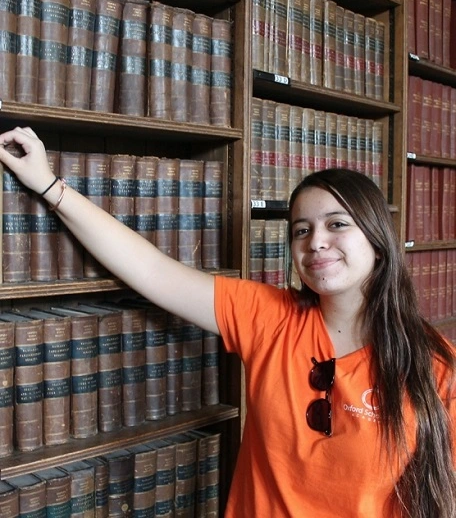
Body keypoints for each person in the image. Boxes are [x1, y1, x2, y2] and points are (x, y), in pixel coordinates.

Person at [0, 126, 454, 517]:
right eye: (301, 229)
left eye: (337, 225)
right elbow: (151, 270)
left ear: (378, 239)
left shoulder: (437, 365)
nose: (316, 242)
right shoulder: (269, 316)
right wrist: (47, 185)